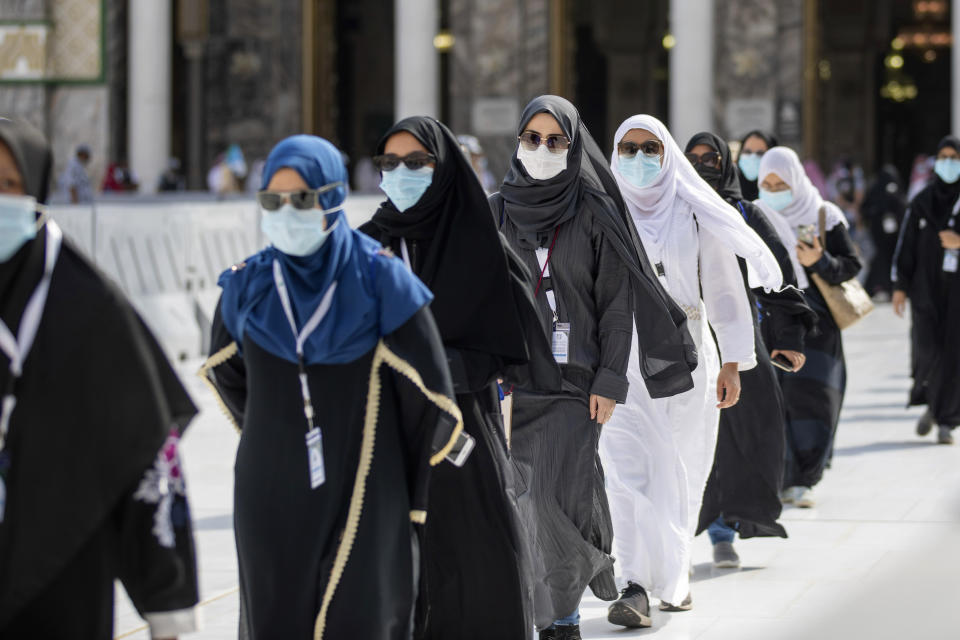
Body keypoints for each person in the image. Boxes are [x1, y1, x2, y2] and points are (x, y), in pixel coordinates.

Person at [200, 135, 463, 639]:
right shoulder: (246, 286)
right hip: (270, 491)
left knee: (362, 615)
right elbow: (227, 372)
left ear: (333, 196)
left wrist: (393, 459)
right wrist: (278, 424)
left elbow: (429, 395)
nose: (286, 213)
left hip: (365, 485)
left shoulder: (380, 280)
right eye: (271, 201)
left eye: (301, 199)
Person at [491, 96, 699, 640]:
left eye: (554, 140)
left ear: (574, 145)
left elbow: (615, 303)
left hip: (574, 383)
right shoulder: (498, 210)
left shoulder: (592, 211)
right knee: (523, 502)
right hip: (512, 385)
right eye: (532, 139)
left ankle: (561, 619)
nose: (541, 150)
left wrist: (610, 379)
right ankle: (576, 581)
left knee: (547, 498)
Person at [360, 116, 559, 639]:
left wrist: (436, 369)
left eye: (416, 163)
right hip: (382, 432)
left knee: (476, 560)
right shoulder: (365, 246)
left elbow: (509, 343)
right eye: (389, 163)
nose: (400, 173)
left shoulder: (478, 244)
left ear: (443, 167)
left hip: (460, 426)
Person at [0, 118, 200, 637]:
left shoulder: (86, 306)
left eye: (8, 185)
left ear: (38, 191)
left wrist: (165, 593)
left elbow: (144, 450)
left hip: (61, 574)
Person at [600, 115, 781, 628]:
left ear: (667, 153)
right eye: (628, 148)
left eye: (649, 148)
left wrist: (733, 363)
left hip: (688, 361)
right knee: (624, 472)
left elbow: (724, 290)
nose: (638, 159)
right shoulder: (605, 211)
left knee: (678, 471)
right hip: (620, 361)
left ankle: (674, 580)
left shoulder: (694, 211)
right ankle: (632, 582)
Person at [684, 132, 817, 569]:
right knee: (692, 439)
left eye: (711, 158)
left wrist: (788, 338)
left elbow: (775, 273)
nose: (702, 166)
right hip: (683, 340)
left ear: (726, 165)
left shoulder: (743, 213)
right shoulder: (669, 209)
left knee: (747, 433)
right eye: (694, 158)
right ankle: (680, 534)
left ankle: (728, 526)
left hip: (740, 340)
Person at [754, 146, 863, 507]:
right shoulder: (755, 215)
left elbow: (850, 265)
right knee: (779, 398)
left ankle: (807, 475)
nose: (773, 189)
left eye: (780, 182)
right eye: (766, 183)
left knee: (816, 397)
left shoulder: (823, 215)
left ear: (797, 181)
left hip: (818, 323)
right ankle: (782, 475)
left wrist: (819, 261)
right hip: (774, 319)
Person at [892, 135, 960, 445]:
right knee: (927, 351)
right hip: (925, 291)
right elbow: (905, 245)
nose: (948, 163)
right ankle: (933, 406)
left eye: (954, 157)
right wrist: (899, 287)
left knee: (953, 354)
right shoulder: (923, 201)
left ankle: (946, 419)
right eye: (943, 157)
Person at [862, 165, 905, 300]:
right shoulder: (879, 191)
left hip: (889, 235)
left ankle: (887, 288)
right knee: (882, 259)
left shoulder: (884, 190)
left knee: (885, 259)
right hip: (881, 235)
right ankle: (877, 287)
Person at [736, 130, 779, 201]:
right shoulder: (728, 189)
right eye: (747, 152)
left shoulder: (781, 192)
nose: (753, 157)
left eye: (760, 153)